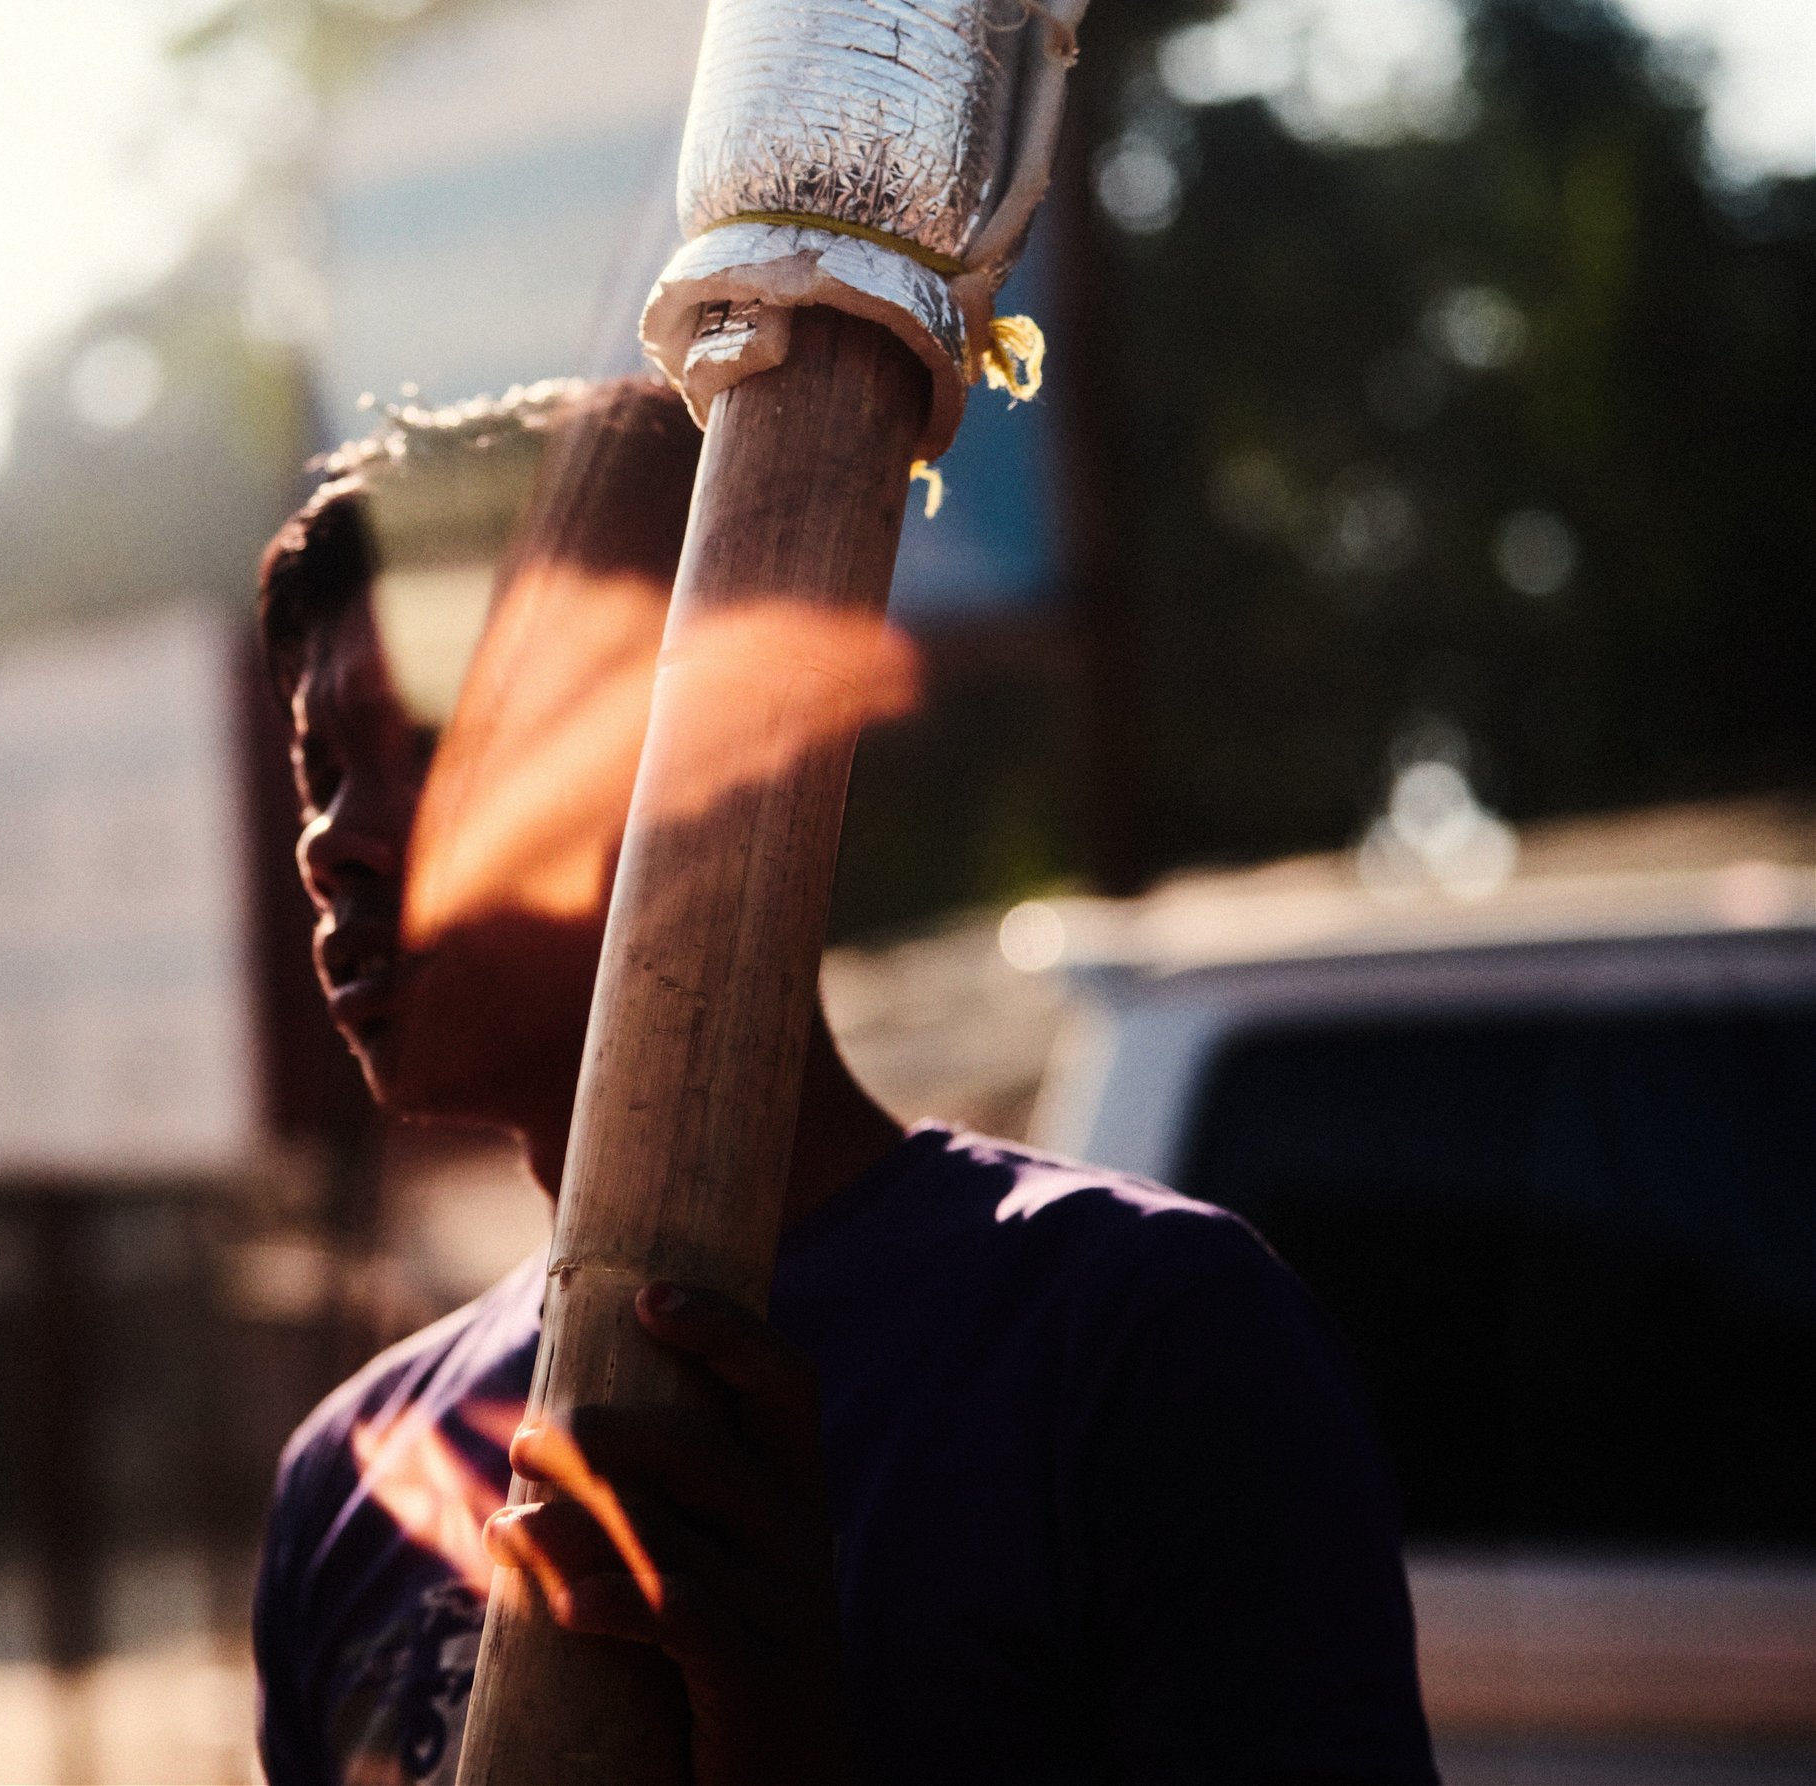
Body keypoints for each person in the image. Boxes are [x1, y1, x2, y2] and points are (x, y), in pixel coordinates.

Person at [250, 377, 1438, 1786]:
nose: (330, 840)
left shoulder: (1135, 1345)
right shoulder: (349, 1479)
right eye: (318, 771)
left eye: (435, 743)